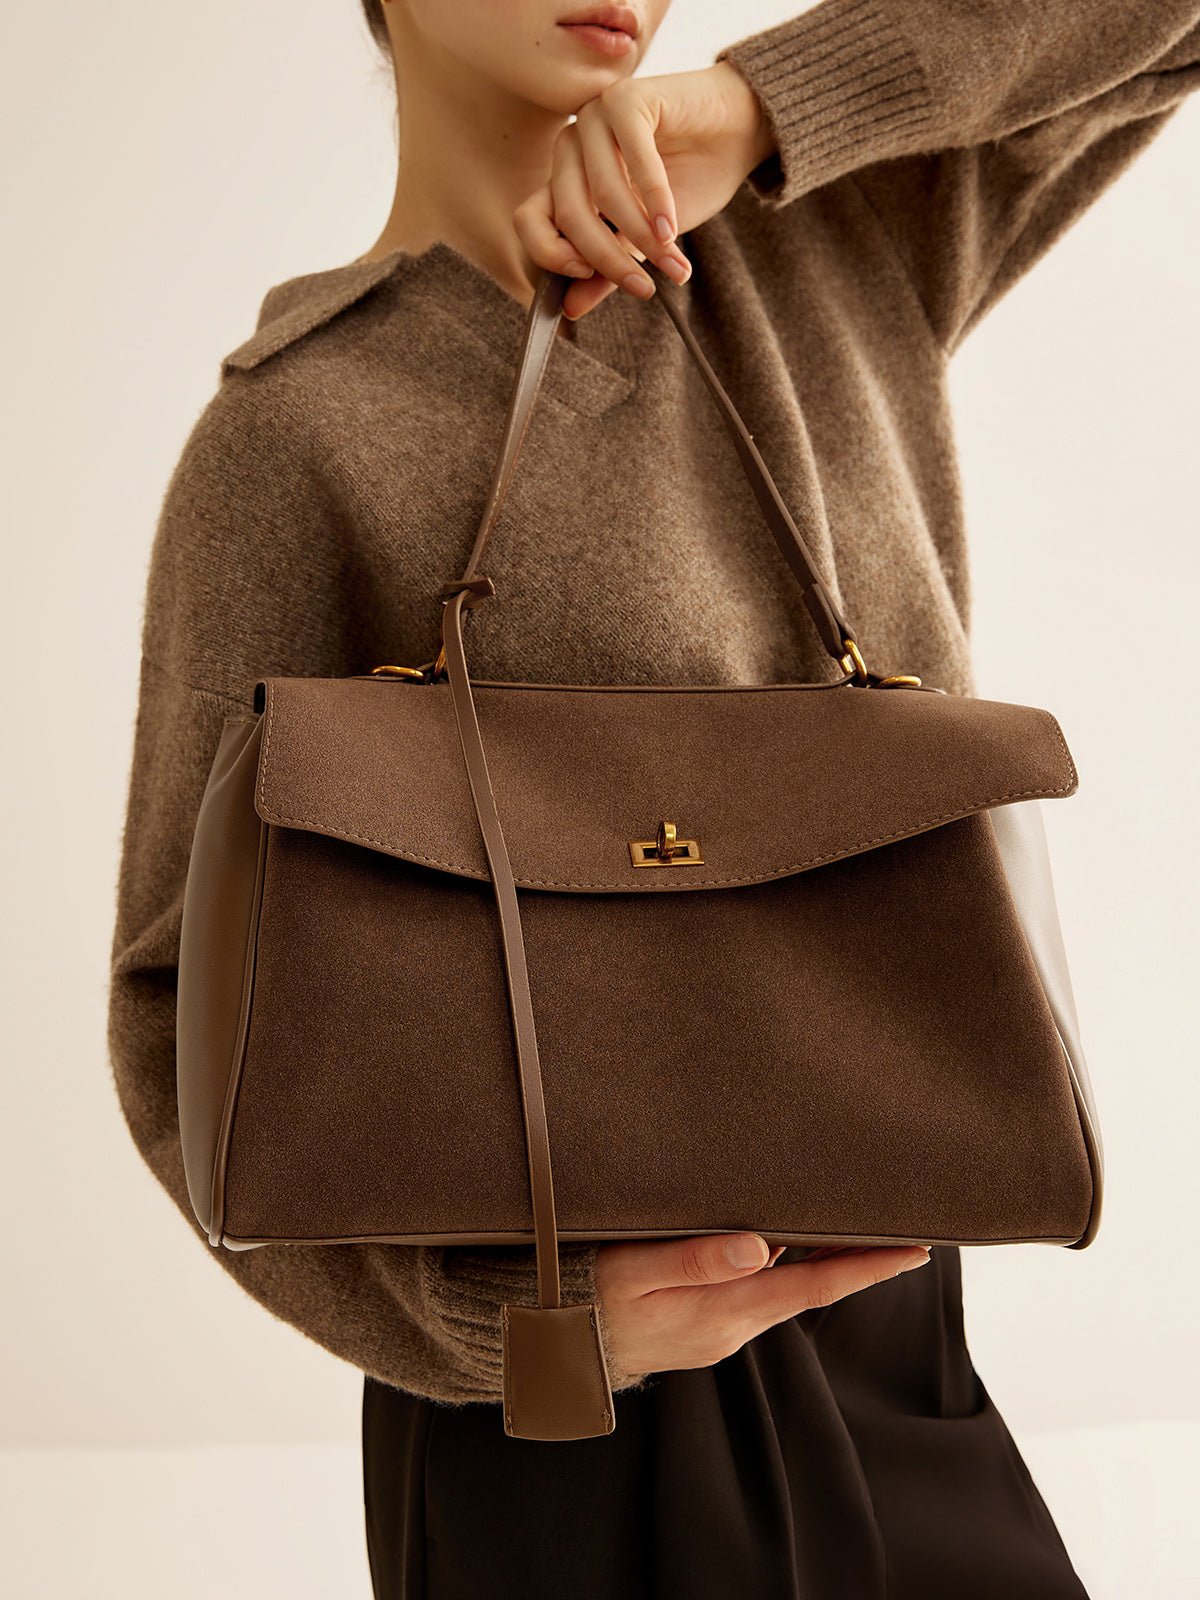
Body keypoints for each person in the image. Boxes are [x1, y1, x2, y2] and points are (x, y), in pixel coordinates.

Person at [107, 1, 1200, 1596]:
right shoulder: (295, 428)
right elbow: (175, 1016)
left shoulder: (835, 240)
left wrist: (762, 107)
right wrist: (516, 1331)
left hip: (897, 1340)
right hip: (552, 1413)